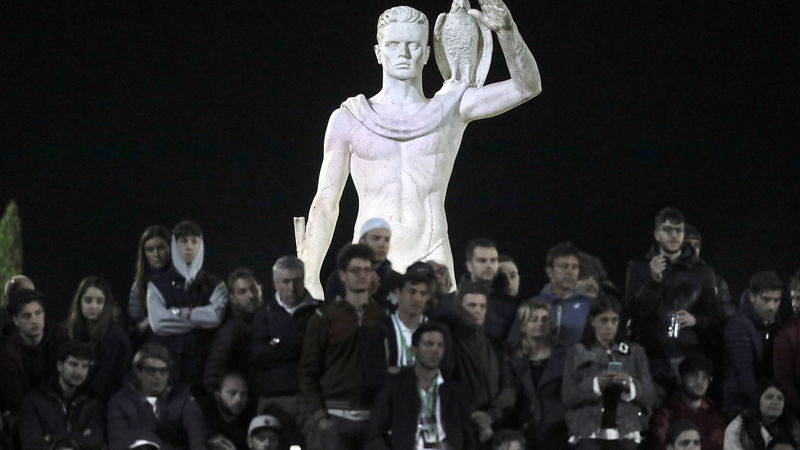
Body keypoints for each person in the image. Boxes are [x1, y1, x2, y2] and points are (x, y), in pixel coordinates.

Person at [298, 1, 542, 300]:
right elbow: (326, 201)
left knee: (439, 343)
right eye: (393, 44)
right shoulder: (349, 117)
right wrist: (309, 274)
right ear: (378, 52)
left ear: (427, 54)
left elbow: (527, 87)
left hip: (432, 252)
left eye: (413, 45)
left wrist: (507, 30)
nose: (403, 53)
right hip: (369, 257)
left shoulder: (450, 108)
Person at [298, 244, 387, 449]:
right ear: (343, 275)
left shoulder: (383, 317)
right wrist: (321, 418)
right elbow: (307, 372)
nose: (362, 275)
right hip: (336, 418)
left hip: (374, 420)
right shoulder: (324, 318)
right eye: (355, 270)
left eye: (367, 270)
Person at [625, 207, 722, 391]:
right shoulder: (639, 268)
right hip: (651, 359)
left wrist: (696, 320)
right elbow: (634, 313)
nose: (674, 235)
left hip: (688, 359)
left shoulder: (702, 272)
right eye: (668, 230)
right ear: (656, 234)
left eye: (679, 230)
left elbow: (716, 319)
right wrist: (652, 282)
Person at [562, 294, 655, 449]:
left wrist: (630, 385)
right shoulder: (576, 352)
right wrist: (595, 385)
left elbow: (650, 395)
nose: (609, 326)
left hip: (627, 428)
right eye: (604, 320)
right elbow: (568, 397)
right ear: (592, 321)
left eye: (614, 320)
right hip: (587, 429)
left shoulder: (635, 352)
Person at [368, 321, 473, 449]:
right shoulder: (394, 386)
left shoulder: (456, 390)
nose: (435, 350)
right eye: (429, 344)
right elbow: (375, 433)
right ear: (414, 350)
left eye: (440, 345)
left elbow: (469, 439)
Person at [147, 220, 228, 386]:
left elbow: (216, 317)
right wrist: (201, 320)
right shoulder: (157, 284)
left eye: (194, 241)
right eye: (183, 241)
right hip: (169, 373)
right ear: (174, 245)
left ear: (201, 243)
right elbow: (159, 323)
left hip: (204, 372)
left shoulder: (216, 284)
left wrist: (181, 312)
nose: (189, 246)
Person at [252, 256, 320, 449]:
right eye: (286, 281)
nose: (291, 287)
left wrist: (278, 345)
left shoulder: (318, 311)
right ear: (275, 283)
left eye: (297, 281)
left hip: (309, 401)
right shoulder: (263, 312)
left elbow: (319, 355)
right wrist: (300, 345)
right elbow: (258, 356)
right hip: (273, 400)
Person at [107, 343, 207, 450]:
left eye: (163, 371)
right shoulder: (120, 402)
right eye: (151, 371)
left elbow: (197, 437)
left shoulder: (183, 398)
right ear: (139, 372)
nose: (158, 376)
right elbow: (118, 443)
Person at [448, 281, 511, 444]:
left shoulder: (496, 345)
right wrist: (477, 419)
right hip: (461, 430)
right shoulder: (449, 344)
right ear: (459, 307)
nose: (477, 310)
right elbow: (447, 387)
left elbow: (509, 386)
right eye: (472, 305)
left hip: (496, 429)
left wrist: (491, 415)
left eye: (482, 306)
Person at [503, 299, 568, 449]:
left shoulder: (564, 356)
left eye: (545, 319)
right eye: (534, 319)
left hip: (557, 431)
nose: (540, 323)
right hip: (524, 431)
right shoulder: (513, 358)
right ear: (523, 325)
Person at [18, 340, 104, 450]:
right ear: (59, 365)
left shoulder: (93, 401)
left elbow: (95, 441)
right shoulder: (34, 400)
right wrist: (79, 438)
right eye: (73, 364)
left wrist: (54, 438)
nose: (79, 372)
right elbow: (31, 443)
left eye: (85, 366)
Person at [723, 271, 784, 418]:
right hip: (740, 406)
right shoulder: (738, 325)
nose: (772, 306)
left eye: (776, 300)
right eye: (766, 299)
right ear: (752, 297)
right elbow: (744, 373)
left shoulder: (772, 324)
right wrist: (757, 410)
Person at [0, 288, 68, 418]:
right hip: (24, 414)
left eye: (38, 313)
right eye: (27, 316)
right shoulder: (8, 354)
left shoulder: (59, 337)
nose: (34, 320)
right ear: (15, 320)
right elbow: (15, 401)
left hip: (59, 407)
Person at [66, 276, 132, 400]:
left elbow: (105, 381)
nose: (93, 306)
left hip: (109, 400)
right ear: (79, 301)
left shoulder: (115, 336)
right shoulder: (73, 330)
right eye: (88, 300)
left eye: (99, 301)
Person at [203, 267, 261, 393]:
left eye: (253, 289)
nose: (250, 295)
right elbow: (213, 372)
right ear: (233, 299)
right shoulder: (231, 330)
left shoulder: (265, 321)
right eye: (242, 292)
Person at [652, 355, 727, 450]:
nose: (700, 381)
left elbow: (719, 445)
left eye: (704, 377)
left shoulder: (716, 417)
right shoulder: (666, 415)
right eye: (694, 375)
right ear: (680, 379)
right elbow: (662, 445)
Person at [324, 218, 401, 308]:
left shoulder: (398, 282)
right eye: (376, 238)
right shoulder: (340, 278)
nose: (382, 244)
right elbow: (332, 316)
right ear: (362, 241)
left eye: (386, 240)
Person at [538, 242, 594, 348]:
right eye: (563, 266)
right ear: (549, 271)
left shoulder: (591, 305)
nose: (569, 271)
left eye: (574, 267)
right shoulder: (533, 304)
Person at [724, 382, 800, 450]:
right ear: (757, 401)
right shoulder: (737, 427)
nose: (775, 401)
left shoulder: (793, 426)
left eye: (780, 398)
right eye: (769, 397)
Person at [129, 225, 172, 344]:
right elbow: (134, 329)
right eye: (150, 249)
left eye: (161, 247)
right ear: (144, 254)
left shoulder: (183, 279)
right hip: (151, 346)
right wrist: (151, 320)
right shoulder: (139, 286)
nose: (156, 254)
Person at [200, 372, 254, 450]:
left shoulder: (249, 425)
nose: (239, 399)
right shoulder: (203, 420)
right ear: (217, 395)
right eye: (232, 393)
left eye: (243, 394)